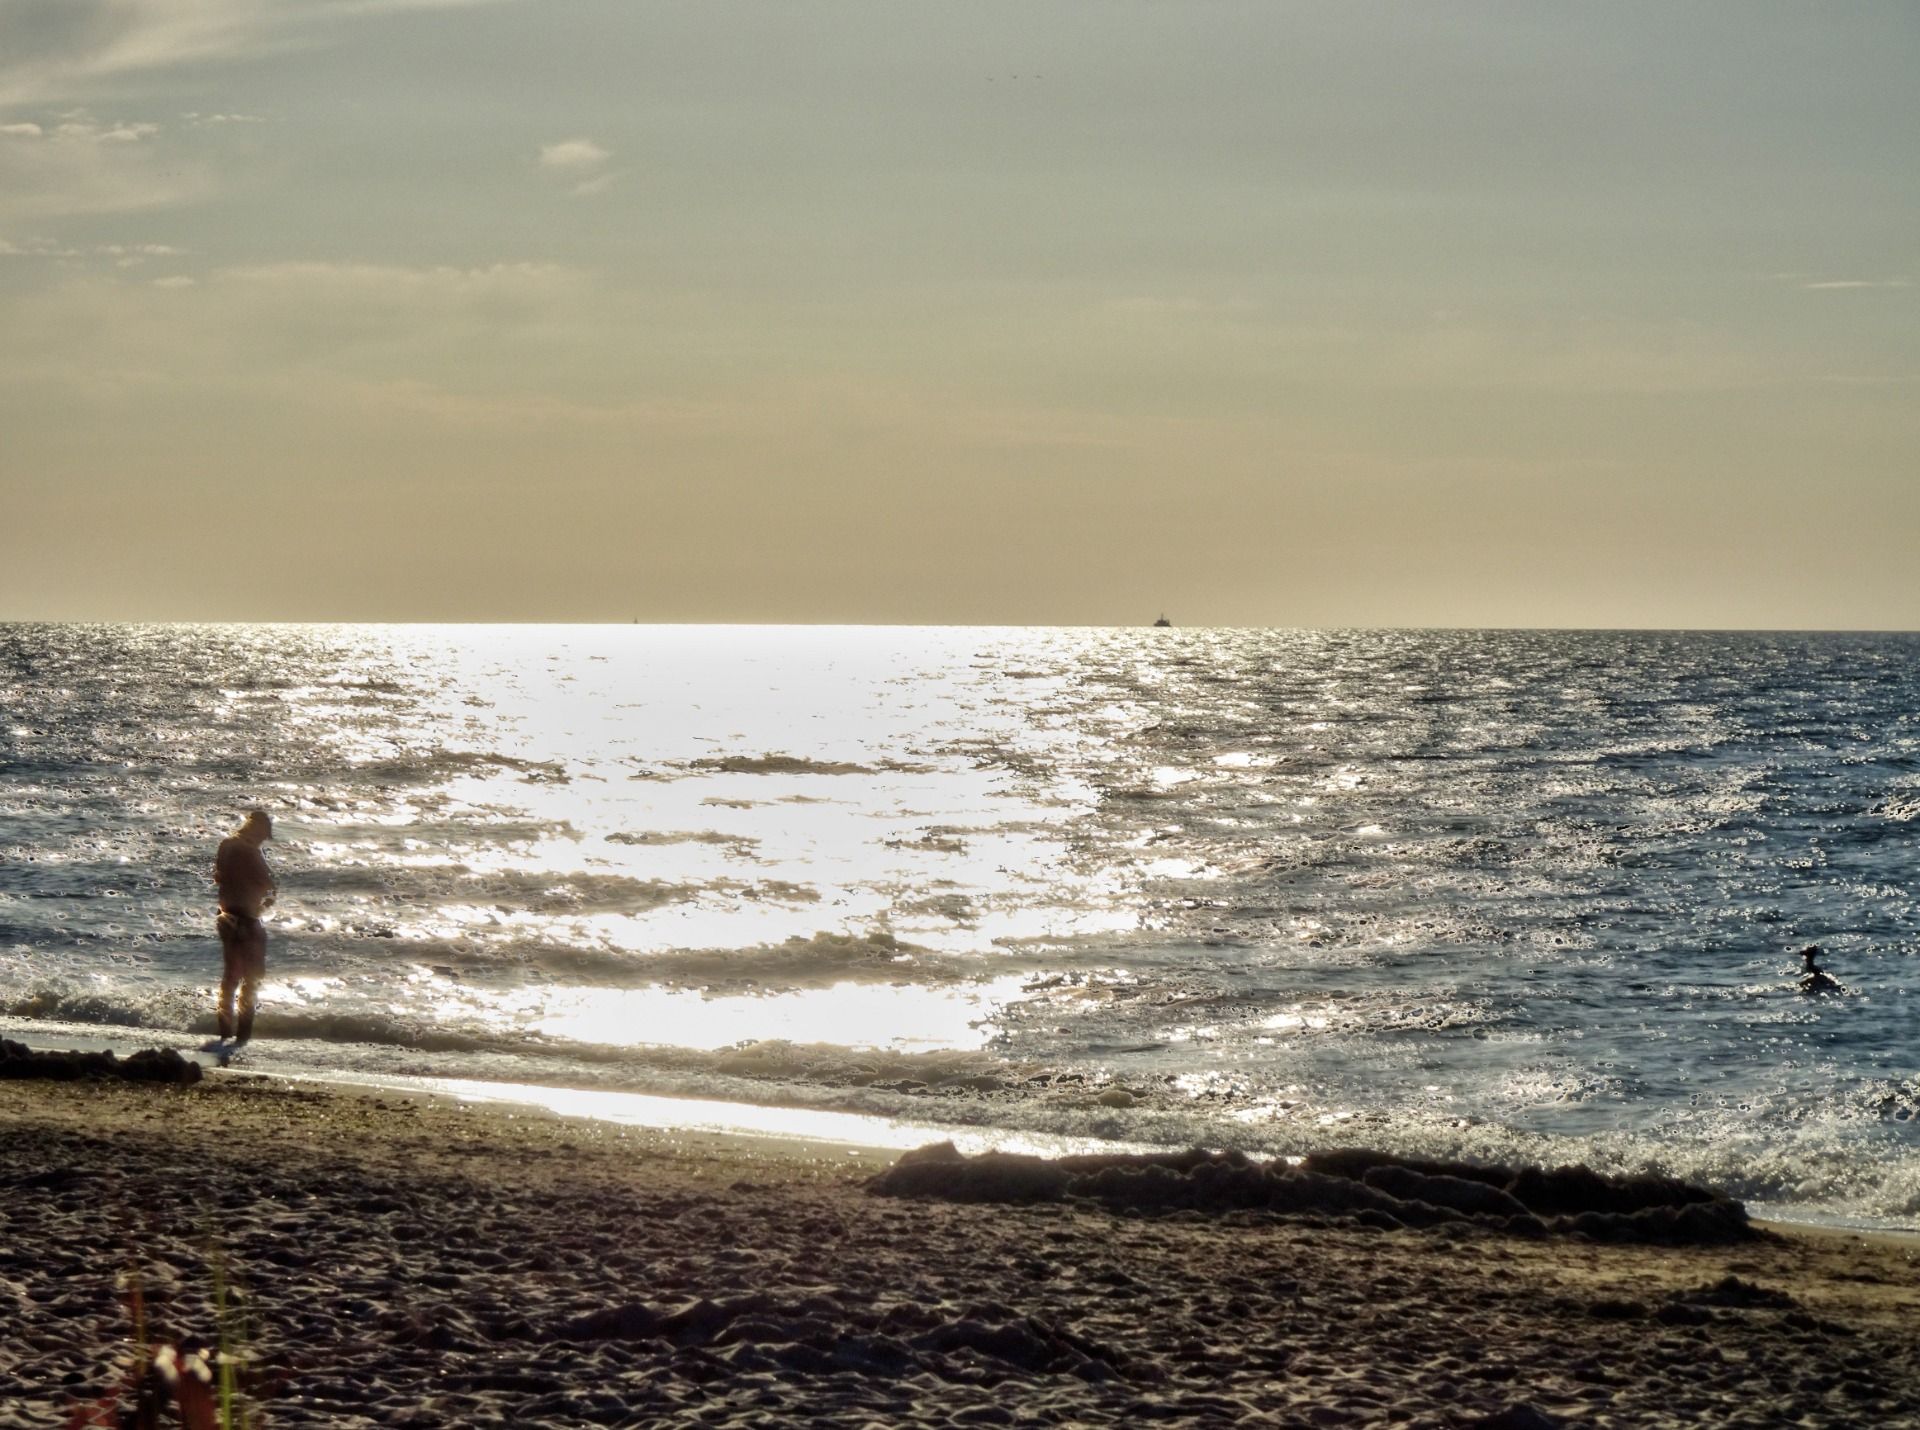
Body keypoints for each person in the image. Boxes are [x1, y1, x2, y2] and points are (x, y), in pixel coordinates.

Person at [213, 808, 277, 1044]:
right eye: (264, 835)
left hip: (225, 916)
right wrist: (268, 898)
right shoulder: (250, 852)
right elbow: (268, 883)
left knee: (230, 975)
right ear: (258, 829)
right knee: (253, 977)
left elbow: (219, 877)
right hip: (247, 919)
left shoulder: (226, 845)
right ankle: (243, 1033)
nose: (263, 840)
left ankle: (225, 1027)